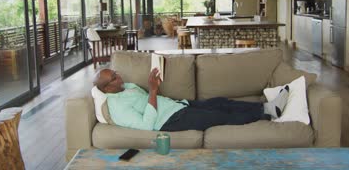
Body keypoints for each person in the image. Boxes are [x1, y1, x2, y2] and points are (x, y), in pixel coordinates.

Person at [95, 68, 289, 132]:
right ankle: (266, 113)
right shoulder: (116, 107)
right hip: (170, 120)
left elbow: (151, 99)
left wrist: (155, 87)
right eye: (114, 77)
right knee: (219, 116)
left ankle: (266, 106)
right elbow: (146, 126)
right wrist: (153, 91)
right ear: (107, 88)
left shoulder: (126, 87)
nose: (119, 76)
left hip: (177, 105)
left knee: (221, 101)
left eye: (115, 72)